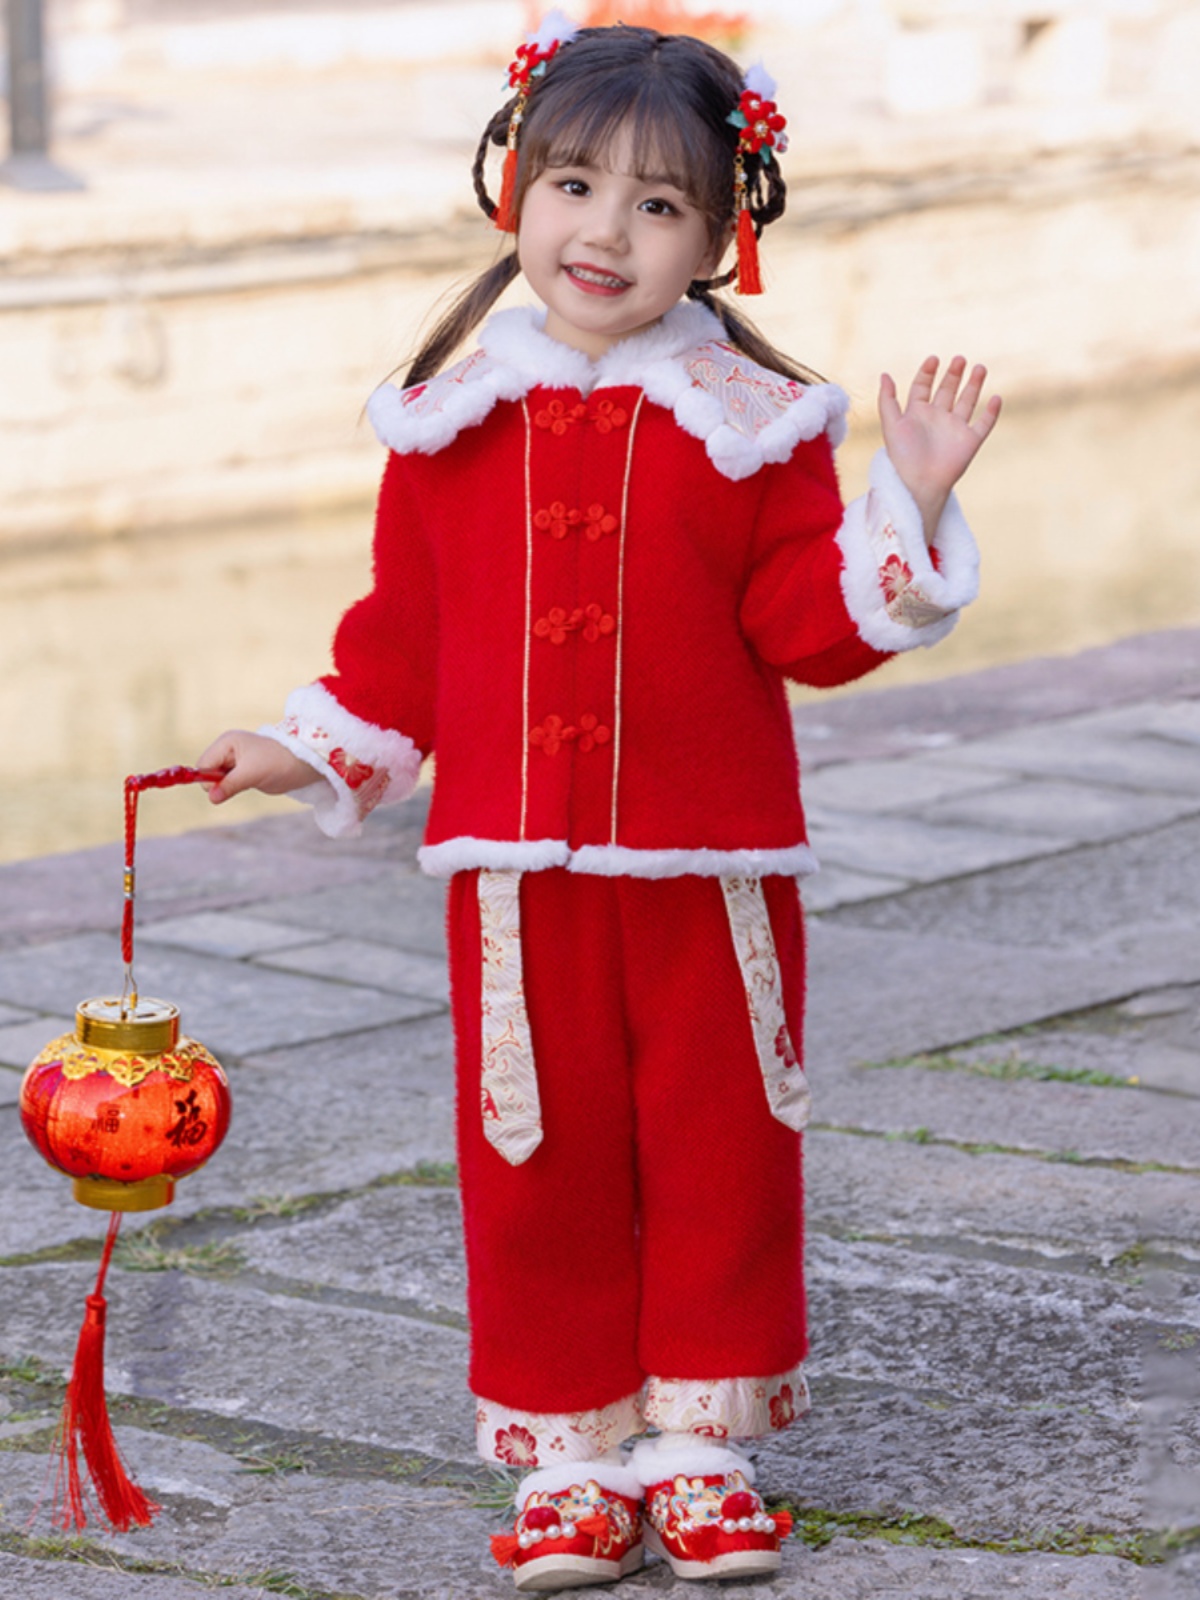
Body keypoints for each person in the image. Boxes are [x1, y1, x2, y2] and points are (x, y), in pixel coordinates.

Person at [199, 12, 1000, 1591]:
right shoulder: (443, 424)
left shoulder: (758, 428)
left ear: (718, 239)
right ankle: (567, 1453)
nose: (606, 232)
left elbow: (808, 630)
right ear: (518, 195)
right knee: (531, 1152)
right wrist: (303, 744)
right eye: (576, 187)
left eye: (658, 206)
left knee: (721, 1146)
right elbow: (402, 646)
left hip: (713, 869)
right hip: (514, 873)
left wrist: (906, 499)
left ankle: (700, 1442)